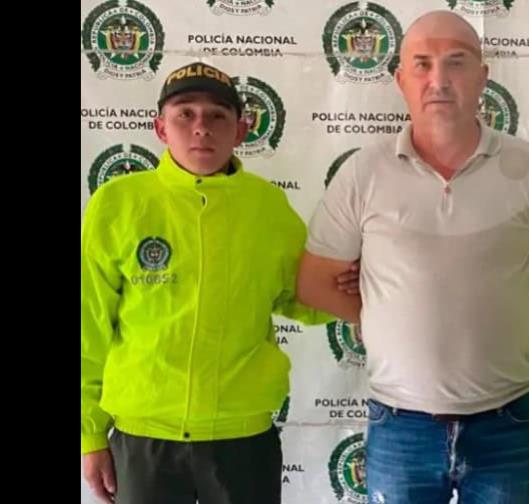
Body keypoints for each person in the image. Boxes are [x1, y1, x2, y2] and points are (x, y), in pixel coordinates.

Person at [297, 10, 529, 504]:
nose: (438, 79)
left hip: (504, 421)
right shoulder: (363, 173)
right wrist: (385, 316)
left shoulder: (527, 167)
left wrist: (499, 313)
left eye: (456, 62)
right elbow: (315, 283)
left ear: (483, 76)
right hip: (400, 425)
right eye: (422, 64)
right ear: (400, 79)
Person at [81, 61, 355, 504]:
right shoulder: (118, 204)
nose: (201, 128)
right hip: (143, 437)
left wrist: (359, 286)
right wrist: (89, 434)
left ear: (240, 131)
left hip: (242, 440)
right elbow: (88, 324)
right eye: (184, 114)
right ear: (160, 128)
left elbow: (301, 295)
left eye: (217, 115)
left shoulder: (267, 207)